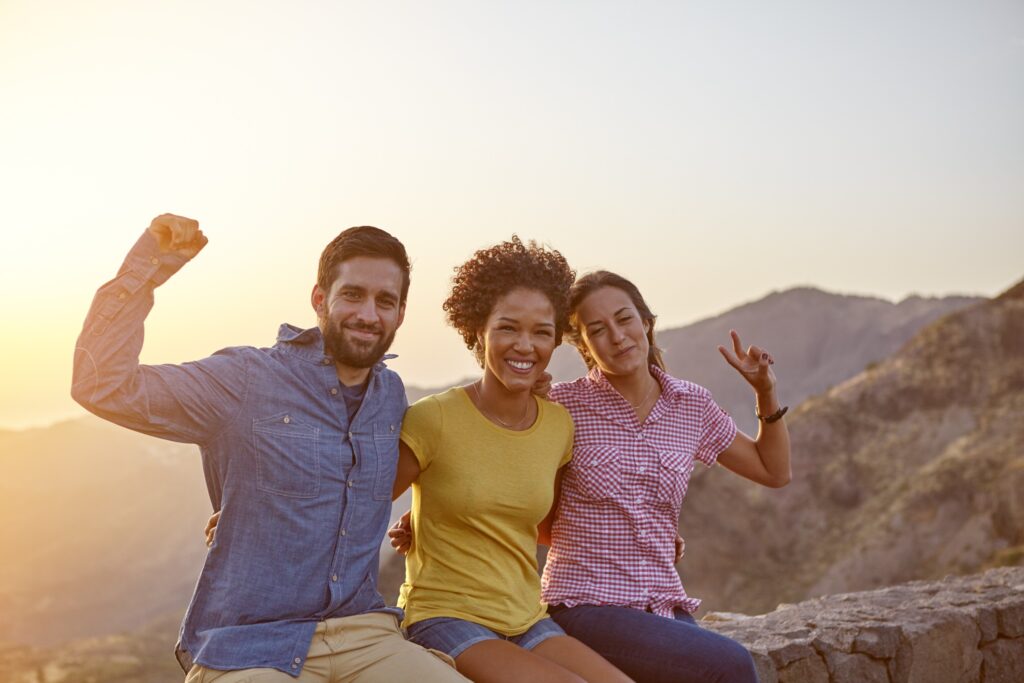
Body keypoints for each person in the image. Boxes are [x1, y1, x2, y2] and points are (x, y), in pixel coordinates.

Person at [71, 214, 468, 683]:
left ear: (401, 314)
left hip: (364, 634)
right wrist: (147, 268)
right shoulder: (246, 379)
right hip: (252, 647)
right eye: (353, 295)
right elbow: (102, 385)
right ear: (320, 299)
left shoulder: (390, 396)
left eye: (386, 301)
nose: (369, 314)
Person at [390, 238, 633, 683]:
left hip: (526, 618)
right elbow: (353, 504)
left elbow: (544, 525)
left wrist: (648, 529)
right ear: (477, 331)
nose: (525, 345)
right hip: (443, 616)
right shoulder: (434, 418)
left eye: (541, 331)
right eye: (508, 328)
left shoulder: (559, 427)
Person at [540, 270, 791, 683]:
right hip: (583, 603)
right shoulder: (562, 408)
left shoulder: (691, 405)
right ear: (583, 344)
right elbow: (528, 508)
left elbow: (773, 471)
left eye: (624, 320)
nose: (618, 337)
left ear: (646, 322)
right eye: (598, 330)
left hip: (661, 603)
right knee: (730, 665)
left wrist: (765, 391)